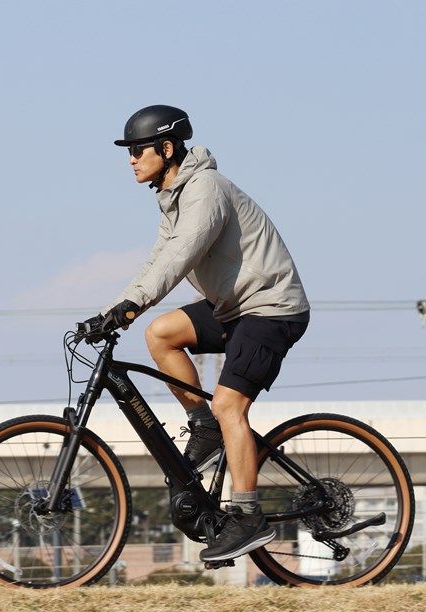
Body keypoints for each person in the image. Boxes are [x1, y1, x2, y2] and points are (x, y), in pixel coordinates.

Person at [84, 105, 310, 562]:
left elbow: (182, 254)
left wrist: (133, 303)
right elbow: (157, 258)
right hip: (234, 307)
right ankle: (203, 424)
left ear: (166, 149)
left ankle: (248, 517)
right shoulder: (172, 195)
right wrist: (112, 311)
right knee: (161, 333)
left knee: (230, 404)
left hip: (270, 307)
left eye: (137, 150)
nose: (130, 159)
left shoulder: (204, 189)